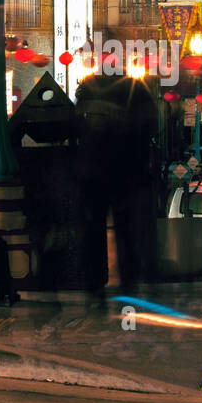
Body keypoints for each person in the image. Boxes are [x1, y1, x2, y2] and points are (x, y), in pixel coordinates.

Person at [75, 67, 159, 299]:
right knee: (127, 227)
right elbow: (150, 127)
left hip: (93, 170)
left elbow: (76, 127)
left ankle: (94, 278)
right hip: (126, 170)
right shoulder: (135, 89)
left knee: (93, 226)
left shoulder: (88, 89)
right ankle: (129, 276)